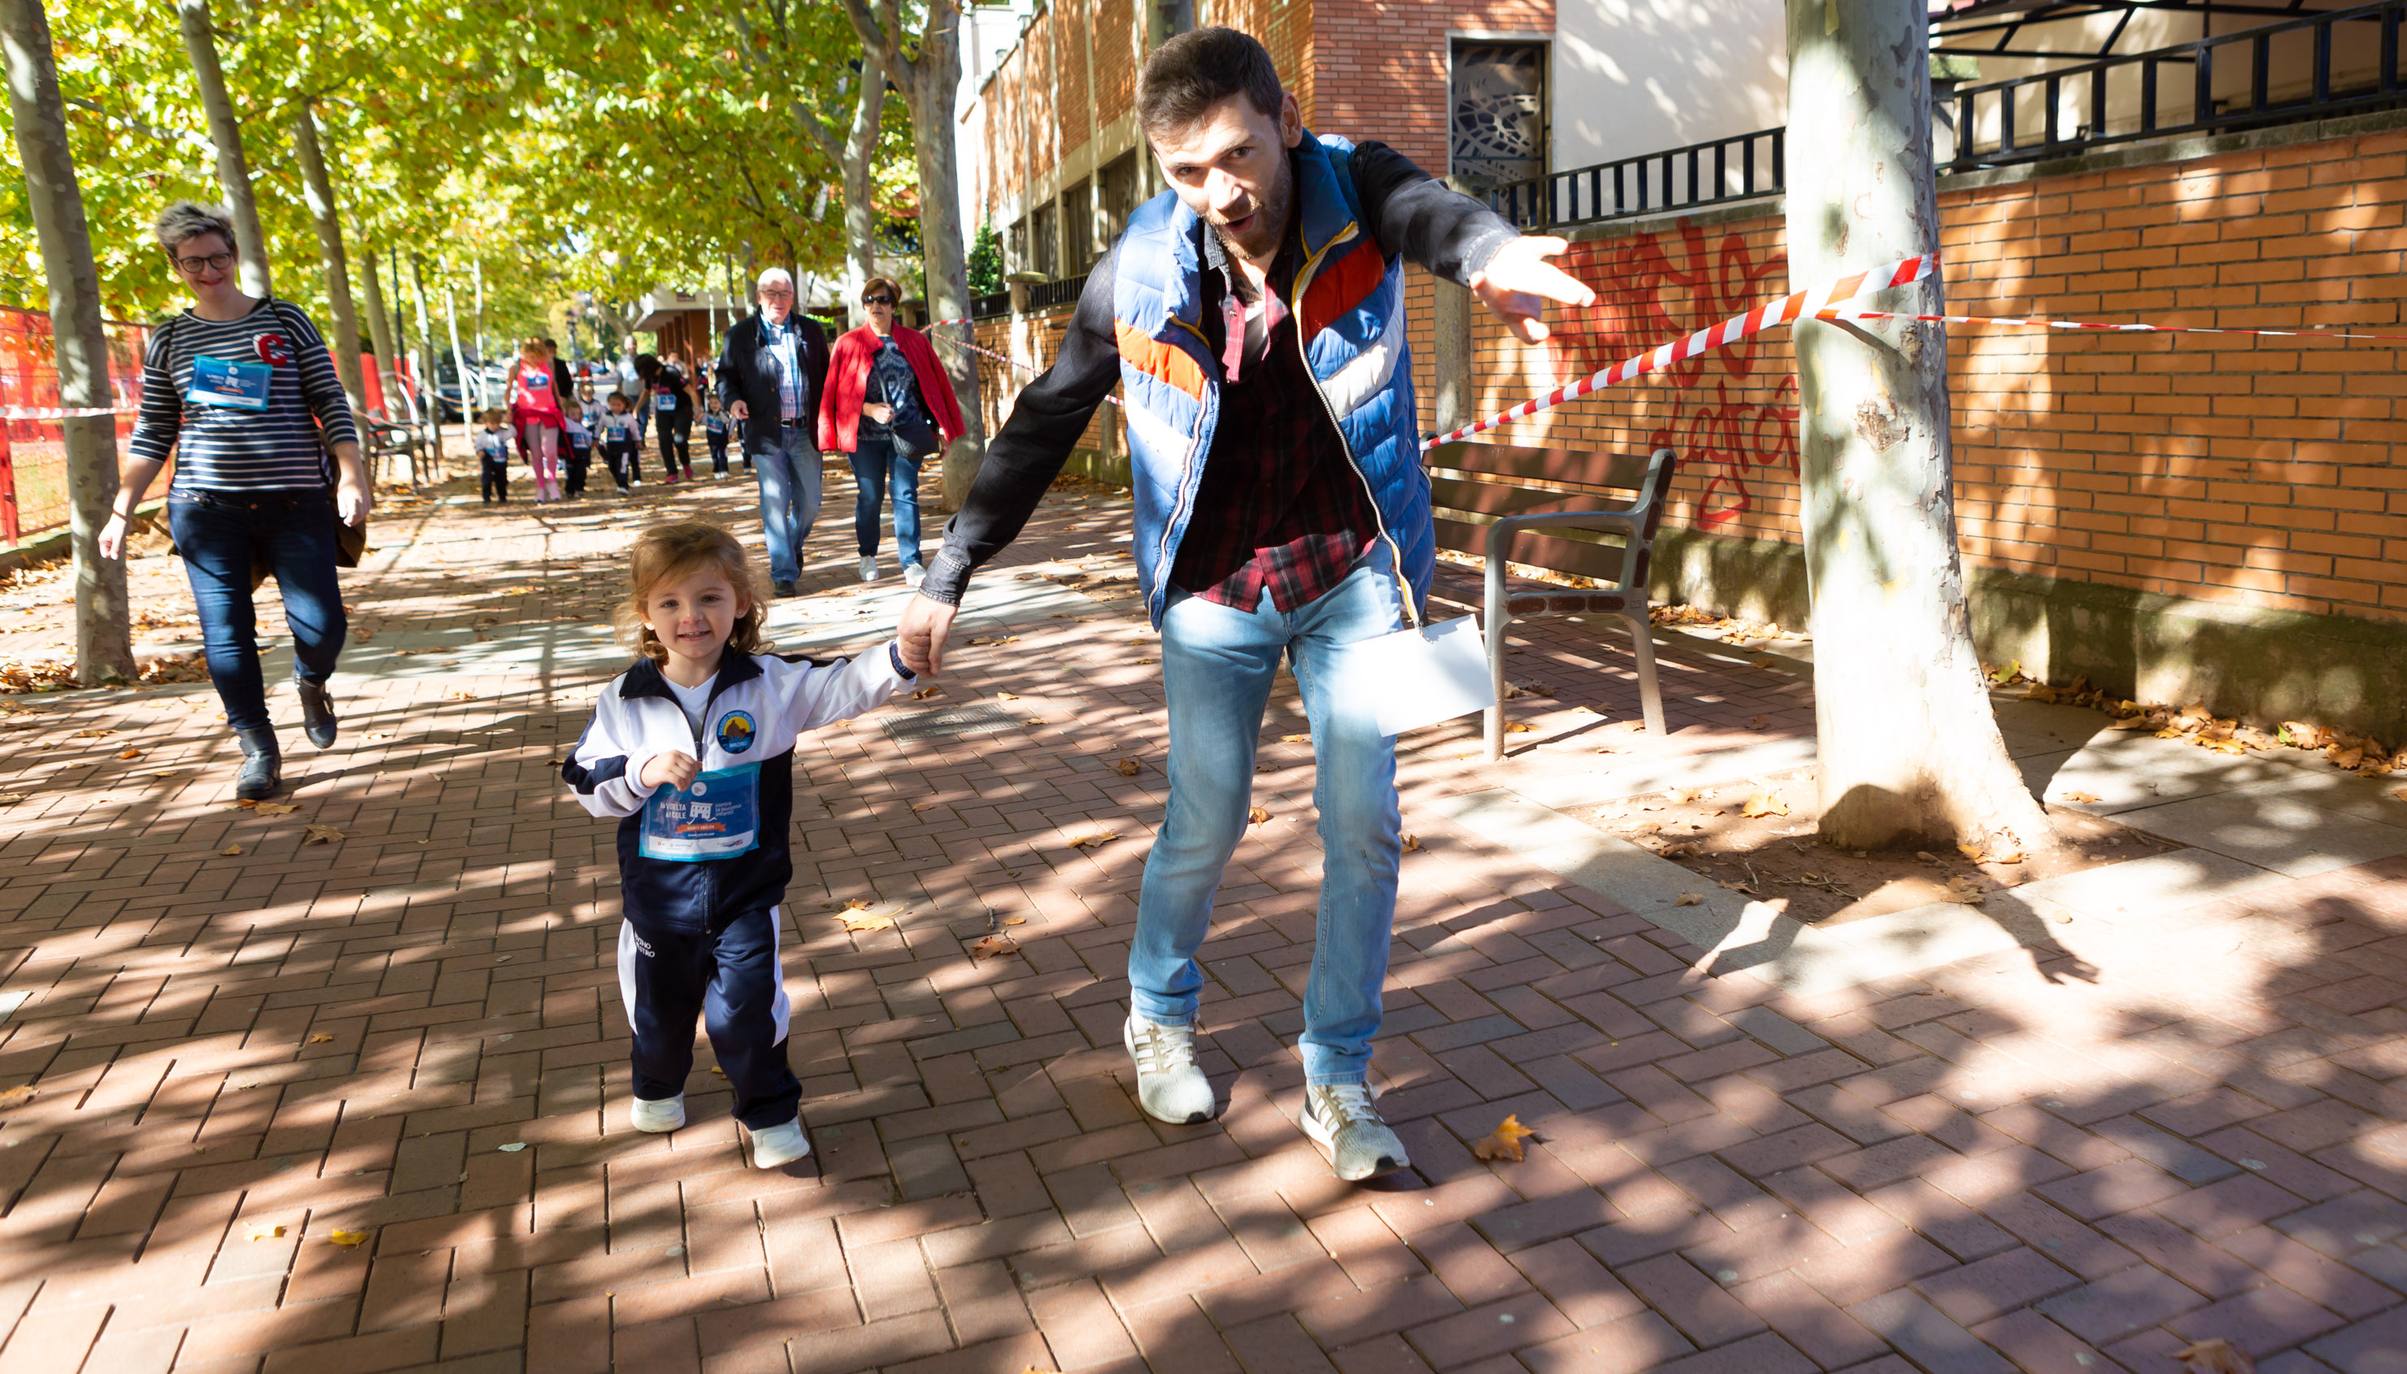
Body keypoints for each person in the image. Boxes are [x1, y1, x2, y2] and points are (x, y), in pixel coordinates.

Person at [894, 28, 1594, 1181]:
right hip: (1213, 592)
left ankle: (1337, 1074)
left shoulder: (1353, 189)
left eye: (1236, 155)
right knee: (1204, 825)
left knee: (1364, 827)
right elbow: (1039, 425)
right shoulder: (1138, 273)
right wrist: (948, 572)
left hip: (1351, 576)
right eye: (1185, 171)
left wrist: (1494, 254)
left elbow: (1435, 212)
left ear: (1285, 121)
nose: (1221, 192)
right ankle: (1157, 1018)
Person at [562, 520, 915, 1168]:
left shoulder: (771, 684)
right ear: (645, 613)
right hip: (657, 902)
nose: (690, 617)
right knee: (660, 1015)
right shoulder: (625, 699)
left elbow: (842, 684)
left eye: (708, 598)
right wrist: (639, 771)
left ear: (740, 603)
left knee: (748, 1011)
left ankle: (770, 1112)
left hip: (745, 897)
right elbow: (584, 778)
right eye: (669, 603)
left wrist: (901, 658)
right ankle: (657, 1085)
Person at [100, 201, 374, 800]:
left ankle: (311, 680)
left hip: (295, 501)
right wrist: (122, 508)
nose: (208, 270)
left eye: (218, 257)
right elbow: (153, 430)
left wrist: (352, 474)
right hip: (204, 508)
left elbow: (329, 402)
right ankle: (258, 748)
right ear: (176, 265)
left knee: (323, 625)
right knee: (225, 634)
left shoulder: (284, 320)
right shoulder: (169, 338)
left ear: (235, 254)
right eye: (193, 261)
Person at [820, 277, 967, 588]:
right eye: (870, 299)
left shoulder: (914, 342)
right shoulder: (848, 343)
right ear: (863, 305)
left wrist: (940, 427)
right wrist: (870, 409)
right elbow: (838, 394)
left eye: (883, 299)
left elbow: (932, 387)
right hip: (864, 436)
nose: (876, 305)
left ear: (893, 305)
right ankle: (868, 554)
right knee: (870, 497)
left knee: (905, 495)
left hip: (907, 431)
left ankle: (911, 561)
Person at [715, 268, 831, 597]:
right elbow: (724, 377)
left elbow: (826, 377)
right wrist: (733, 400)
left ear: (793, 297)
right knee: (774, 503)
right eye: (771, 293)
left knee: (810, 503)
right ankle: (783, 572)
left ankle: (791, 547)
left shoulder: (810, 330)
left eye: (784, 294)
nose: (778, 300)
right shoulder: (739, 335)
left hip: (805, 431)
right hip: (766, 434)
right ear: (759, 297)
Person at [505, 337, 565, 502]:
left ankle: (552, 480)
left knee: (550, 450)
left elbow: (555, 388)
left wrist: (561, 407)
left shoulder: (548, 366)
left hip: (548, 412)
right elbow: (509, 389)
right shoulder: (516, 368)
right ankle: (540, 487)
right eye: (530, 355)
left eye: (537, 356)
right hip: (527, 413)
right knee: (536, 453)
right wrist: (509, 410)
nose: (534, 359)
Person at [635, 351, 698, 483]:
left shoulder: (671, 373)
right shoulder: (650, 377)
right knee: (664, 440)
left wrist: (697, 409)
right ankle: (671, 472)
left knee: (679, 440)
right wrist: (636, 409)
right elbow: (646, 392)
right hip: (663, 411)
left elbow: (690, 391)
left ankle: (685, 463)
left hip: (682, 409)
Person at [599, 392, 642, 494]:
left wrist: (638, 441)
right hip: (611, 446)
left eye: (618, 405)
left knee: (622, 465)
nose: (616, 407)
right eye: (613, 405)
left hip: (624, 447)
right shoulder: (605, 417)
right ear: (609, 404)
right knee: (612, 466)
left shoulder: (628, 417)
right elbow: (599, 427)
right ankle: (620, 482)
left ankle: (623, 485)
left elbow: (634, 430)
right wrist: (595, 438)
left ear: (624, 405)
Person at [474, 408, 512, 503]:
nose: (495, 426)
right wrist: (479, 451)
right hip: (488, 458)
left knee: (501, 479)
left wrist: (509, 423)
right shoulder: (482, 435)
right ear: (486, 423)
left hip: (501, 460)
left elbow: (512, 433)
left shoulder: (502, 433)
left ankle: (502, 496)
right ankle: (486, 496)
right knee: (487, 477)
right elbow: (478, 445)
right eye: (492, 424)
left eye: (497, 423)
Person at [561, 408, 595, 498]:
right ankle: (570, 490)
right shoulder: (567, 423)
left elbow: (588, 440)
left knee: (581, 473)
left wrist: (590, 444)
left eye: (578, 414)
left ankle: (579, 488)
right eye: (573, 414)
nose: (576, 417)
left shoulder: (582, 428)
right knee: (570, 473)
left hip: (582, 454)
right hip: (570, 453)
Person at [703, 395, 732, 479]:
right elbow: (703, 422)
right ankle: (716, 470)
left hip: (722, 438)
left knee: (722, 454)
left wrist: (719, 412)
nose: (713, 405)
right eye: (711, 403)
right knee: (714, 455)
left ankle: (724, 470)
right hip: (712, 438)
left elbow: (726, 421)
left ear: (721, 404)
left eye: (716, 403)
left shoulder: (723, 412)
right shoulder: (708, 413)